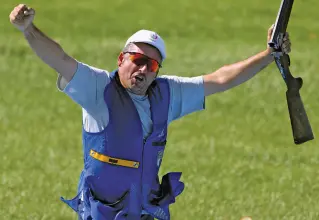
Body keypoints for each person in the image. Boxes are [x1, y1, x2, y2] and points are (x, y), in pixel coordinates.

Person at [9, 3, 291, 220]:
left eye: (152, 65)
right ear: (121, 59)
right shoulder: (97, 89)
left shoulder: (167, 94)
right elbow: (59, 58)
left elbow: (220, 79)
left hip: (145, 210)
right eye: (138, 60)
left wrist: (268, 55)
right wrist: (28, 30)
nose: (143, 69)